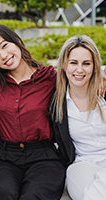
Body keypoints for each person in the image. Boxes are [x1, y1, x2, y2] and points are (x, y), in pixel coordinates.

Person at [0, 24, 66, 199]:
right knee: (4, 192)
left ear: (17, 41)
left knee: (33, 196)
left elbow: (80, 79)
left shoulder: (50, 78)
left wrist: (100, 79)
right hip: (6, 157)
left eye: (5, 46)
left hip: (44, 156)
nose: (3, 56)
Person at [50, 35, 106, 200]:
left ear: (95, 66)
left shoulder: (104, 96)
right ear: (64, 65)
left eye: (86, 63)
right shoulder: (56, 104)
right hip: (82, 164)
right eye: (73, 63)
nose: (79, 70)